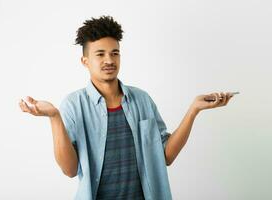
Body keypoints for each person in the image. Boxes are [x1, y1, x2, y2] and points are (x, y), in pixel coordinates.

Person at [19, 15, 234, 200]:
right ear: (85, 61)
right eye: (100, 54)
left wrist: (193, 110)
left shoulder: (142, 99)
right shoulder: (74, 105)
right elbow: (69, 170)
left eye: (115, 53)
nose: (109, 60)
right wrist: (54, 117)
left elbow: (165, 156)